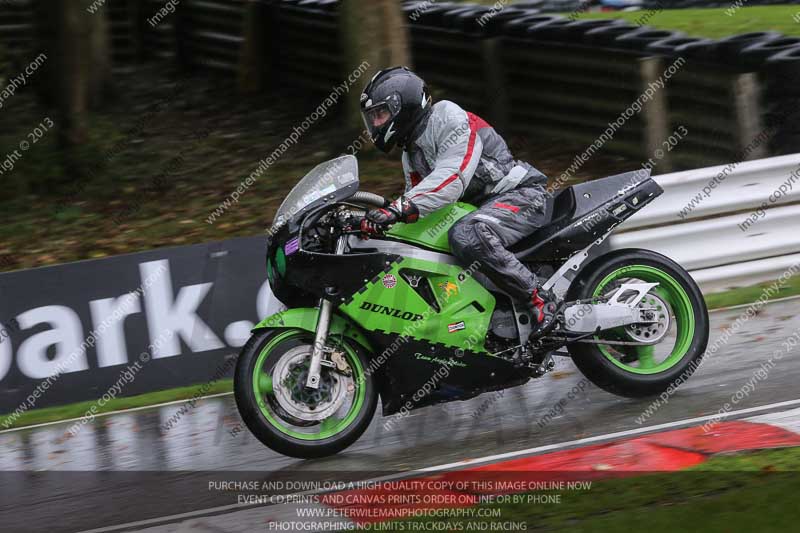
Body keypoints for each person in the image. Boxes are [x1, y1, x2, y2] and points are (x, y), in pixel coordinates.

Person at [359, 66, 558, 330]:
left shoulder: (448, 117)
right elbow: (419, 206)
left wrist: (396, 209)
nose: (375, 124)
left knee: (467, 235)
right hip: (480, 210)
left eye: (380, 114)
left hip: (521, 195)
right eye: (372, 117)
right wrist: (377, 227)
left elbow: (452, 178)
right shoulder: (411, 152)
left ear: (402, 105)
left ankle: (540, 299)